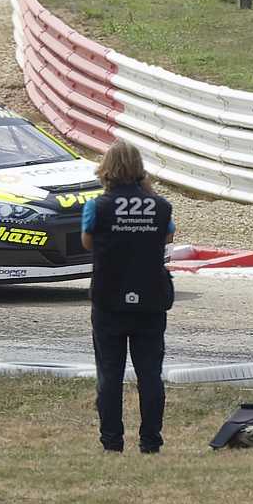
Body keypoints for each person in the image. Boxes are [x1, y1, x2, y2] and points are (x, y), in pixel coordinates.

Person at [81, 139, 174, 455]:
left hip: (109, 301)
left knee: (110, 374)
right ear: (140, 170)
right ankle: (150, 442)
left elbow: (87, 242)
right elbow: (169, 235)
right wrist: (148, 192)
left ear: (106, 169)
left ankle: (112, 442)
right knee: (150, 374)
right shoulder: (161, 206)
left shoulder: (97, 206)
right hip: (150, 299)